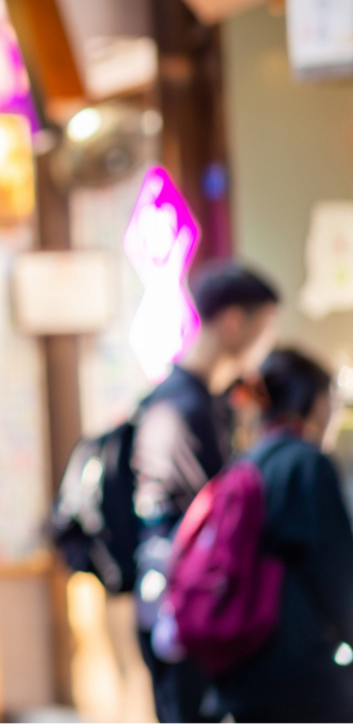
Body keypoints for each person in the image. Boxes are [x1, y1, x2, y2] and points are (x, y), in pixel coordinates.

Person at [133, 264, 280, 722]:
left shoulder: (196, 401)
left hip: (184, 602)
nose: (266, 345)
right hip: (190, 606)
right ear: (234, 322)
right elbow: (209, 520)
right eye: (265, 329)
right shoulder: (181, 410)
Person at [211, 347, 353, 722]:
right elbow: (336, 571)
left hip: (246, 660)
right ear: (316, 402)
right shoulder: (308, 464)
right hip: (302, 667)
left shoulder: (247, 460)